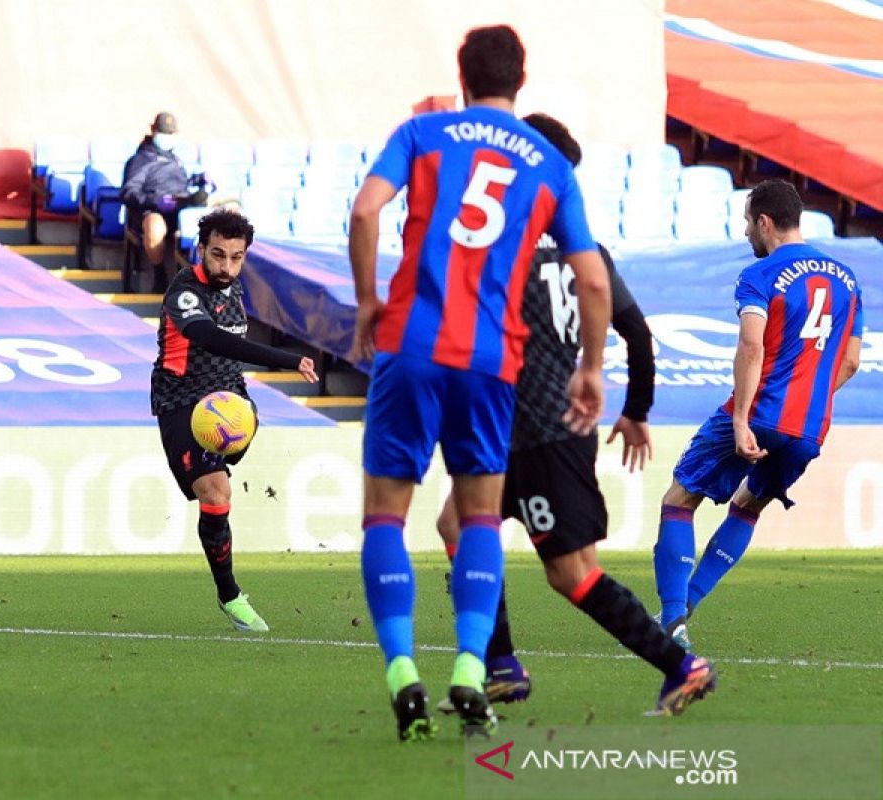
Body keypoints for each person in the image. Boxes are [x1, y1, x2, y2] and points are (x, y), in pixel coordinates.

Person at [348, 25, 612, 742]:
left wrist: (369, 300)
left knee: (385, 517)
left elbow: (367, 209)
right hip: (491, 360)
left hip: (411, 344)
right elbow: (592, 278)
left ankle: (402, 670)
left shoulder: (423, 132)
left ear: (461, 76)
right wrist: (590, 365)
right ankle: (471, 665)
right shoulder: (550, 164)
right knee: (480, 516)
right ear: (520, 81)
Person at [433, 113, 717, 720]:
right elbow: (638, 334)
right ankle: (503, 666)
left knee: (572, 574)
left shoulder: (498, 248)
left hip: (540, 437)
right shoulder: (586, 254)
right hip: (519, 433)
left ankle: (681, 665)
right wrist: (636, 409)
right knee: (458, 527)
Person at [653, 178, 862, 647]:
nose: (747, 231)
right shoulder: (847, 280)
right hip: (810, 428)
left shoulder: (762, 275)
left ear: (764, 222)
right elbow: (849, 361)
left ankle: (671, 619)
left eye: (749, 222)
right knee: (748, 508)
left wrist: (743, 418)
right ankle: (682, 608)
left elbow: (751, 346)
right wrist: (810, 399)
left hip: (760, 411)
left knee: (678, 500)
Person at [151, 208, 318, 633]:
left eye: (237, 257)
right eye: (219, 255)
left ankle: (225, 458)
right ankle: (230, 596)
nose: (227, 266)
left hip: (231, 400)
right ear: (201, 249)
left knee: (224, 473)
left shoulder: (234, 288)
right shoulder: (184, 291)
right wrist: (285, 360)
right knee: (216, 491)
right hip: (184, 402)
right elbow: (208, 337)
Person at [120, 111, 209, 293]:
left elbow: (179, 184)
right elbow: (129, 192)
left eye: (170, 134)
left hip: (180, 206)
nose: (167, 137)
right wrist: (156, 201)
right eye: (163, 132)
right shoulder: (139, 160)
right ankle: (159, 273)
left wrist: (197, 179)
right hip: (153, 209)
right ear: (153, 131)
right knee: (155, 225)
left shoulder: (176, 160)